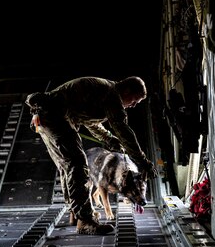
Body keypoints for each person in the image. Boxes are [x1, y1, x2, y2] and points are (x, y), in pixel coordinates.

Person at [25, 76, 158, 235]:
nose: (134, 105)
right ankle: (86, 221)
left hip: (46, 117)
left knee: (68, 166)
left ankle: (76, 213)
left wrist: (108, 138)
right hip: (54, 116)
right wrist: (143, 162)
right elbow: (124, 131)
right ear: (127, 90)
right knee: (77, 164)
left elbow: (90, 121)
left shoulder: (103, 91)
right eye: (135, 100)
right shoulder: (112, 95)